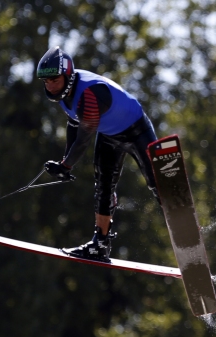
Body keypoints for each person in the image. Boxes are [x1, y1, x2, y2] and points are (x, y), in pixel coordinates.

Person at [37, 46, 161, 262]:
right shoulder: (64, 92)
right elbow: (73, 126)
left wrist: (66, 165)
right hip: (109, 134)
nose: (50, 85)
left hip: (136, 129)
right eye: (45, 81)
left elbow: (83, 139)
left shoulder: (90, 94)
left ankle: (184, 223)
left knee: (155, 181)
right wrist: (64, 161)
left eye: (54, 80)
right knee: (103, 188)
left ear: (66, 75)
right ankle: (100, 245)